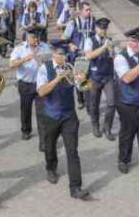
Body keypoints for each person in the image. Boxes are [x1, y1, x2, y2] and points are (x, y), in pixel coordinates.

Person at [36, 39, 90, 200]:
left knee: (72, 151)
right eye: (61, 54)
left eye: (65, 54)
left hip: (69, 116)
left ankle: (76, 187)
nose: (64, 57)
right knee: (50, 146)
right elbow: (41, 92)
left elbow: (86, 88)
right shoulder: (44, 69)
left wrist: (82, 80)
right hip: (50, 115)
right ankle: (50, 168)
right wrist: (57, 79)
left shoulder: (70, 67)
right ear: (53, 53)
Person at [114, 27, 139, 180]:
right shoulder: (120, 58)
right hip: (128, 104)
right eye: (134, 41)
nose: (137, 45)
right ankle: (123, 159)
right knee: (127, 134)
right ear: (128, 41)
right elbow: (127, 78)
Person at [10, 26, 50, 149]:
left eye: (37, 37)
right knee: (25, 109)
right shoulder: (19, 48)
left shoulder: (44, 47)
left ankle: (43, 140)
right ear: (27, 37)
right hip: (25, 84)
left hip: (40, 84)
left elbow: (50, 62)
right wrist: (25, 58)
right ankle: (26, 130)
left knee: (42, 112)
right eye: (33, 37)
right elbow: (11, 64)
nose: (35, 39)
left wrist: (44, 62)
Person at [84, 18, 116, 140]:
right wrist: (104, 47)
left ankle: (107, 127)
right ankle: (95, 125)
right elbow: (88, 55)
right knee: (94, 104)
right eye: (102, 28)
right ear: (96, 28)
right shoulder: (89, 40)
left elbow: (113, 57)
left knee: (112, 103)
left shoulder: (109, 40)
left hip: (108, 76)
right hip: (94, 76)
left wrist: (112, 51)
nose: (104, 31)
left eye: (105, 28)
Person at [63, 2, 95, 107]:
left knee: (89, 77)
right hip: (79, 54)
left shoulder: (93, 22)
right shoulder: (73, 23)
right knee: (80, 78)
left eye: (90, 9)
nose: (89, 12)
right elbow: (64, 38)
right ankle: (81, 98)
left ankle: (88, 98)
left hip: (90, 54)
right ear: (81, 11)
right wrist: (70, 44)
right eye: (87, 10)